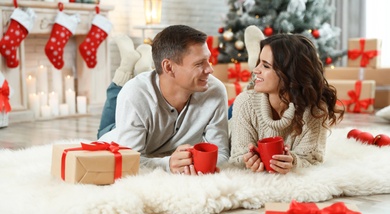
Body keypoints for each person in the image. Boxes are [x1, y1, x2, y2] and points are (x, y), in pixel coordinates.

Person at [98, 25, 230, 175]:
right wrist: (168, 164)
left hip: (150, 125)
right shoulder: (134, 94)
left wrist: (197, 164)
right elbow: (129, 162)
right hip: (114, 138)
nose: (210, 70)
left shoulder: (215, 90)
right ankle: (127, 67)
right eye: (199, 64)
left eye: (208, 60)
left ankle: (144, 67)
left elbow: (222, 153)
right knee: (107, 124)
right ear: (168, 67)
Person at [229, 33, 344, 174]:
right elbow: (236, 157)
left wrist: (293, 161)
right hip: (239, 110)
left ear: (289, 73)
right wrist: (248, 160)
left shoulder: (315, 110)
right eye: (259, 63)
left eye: (265, 65)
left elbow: (312, 160)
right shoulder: (244, 102)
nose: (255, 70)